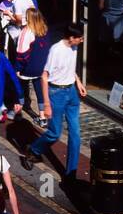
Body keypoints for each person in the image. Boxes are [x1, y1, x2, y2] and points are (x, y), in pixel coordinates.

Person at [21, 23, 86, 181]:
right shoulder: (56, 50)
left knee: (76, 134)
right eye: (80, 38)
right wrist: (46, 104)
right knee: (54, 133)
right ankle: (33, 150)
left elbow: (70, 68)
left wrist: (78, 82)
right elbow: (44, 77)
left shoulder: (74, 47)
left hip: (71, 92)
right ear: (71, 38)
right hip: (56, 93)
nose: (82, 40)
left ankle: (70, 174)